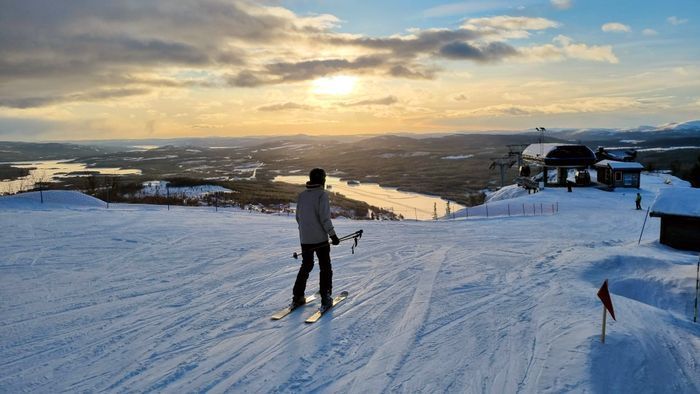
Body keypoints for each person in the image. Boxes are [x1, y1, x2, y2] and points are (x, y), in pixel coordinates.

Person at [292, 168, 340, 309]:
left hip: (305, 239)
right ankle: (325, 297)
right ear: (321, 180)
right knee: (325, 266)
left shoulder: (302, 195)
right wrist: (333, 235)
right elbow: (325, 218)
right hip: (320, 239)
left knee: (307, 265)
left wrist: (306, 231)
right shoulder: (322, 195)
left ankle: (297, 297)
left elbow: (298, 218)